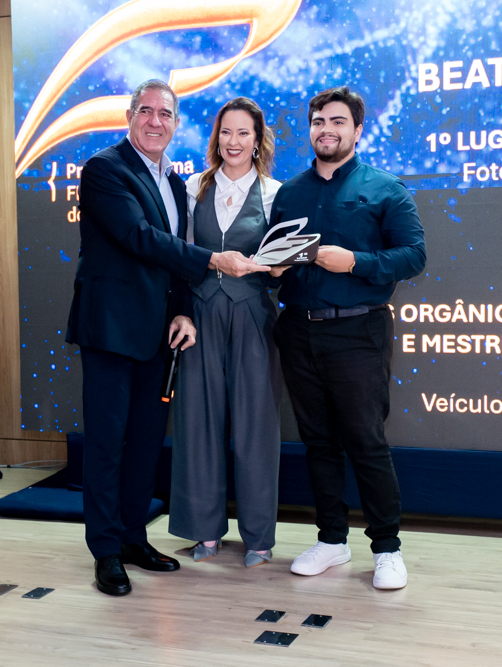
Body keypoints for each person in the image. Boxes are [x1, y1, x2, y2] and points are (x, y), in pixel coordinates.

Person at [65, 79, 268, 597]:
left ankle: (133, 537)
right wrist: (214, 259)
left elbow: (172, 259)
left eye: (167, 114)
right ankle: (106, 551)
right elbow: (139, 239)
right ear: (130, 116)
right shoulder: (105, 169)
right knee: (108, 445)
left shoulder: (177, 184)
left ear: (177, 124)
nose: (157, 121)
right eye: (147, 111)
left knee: (144, 445)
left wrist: (183, 312)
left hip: (160, 335)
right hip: (111, 330)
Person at [267, 86, 426, 590]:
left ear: (358, 130)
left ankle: (386, 548)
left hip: (360, 329)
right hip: (298, 329)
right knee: (318, 441)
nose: (326, 129)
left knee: (365, 440)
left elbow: (414, 256)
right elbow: (280, 256)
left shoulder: (386, 189)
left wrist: (356, 261)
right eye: (318, 121)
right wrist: (272, 270)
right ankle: (332, 540)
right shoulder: (289, 193)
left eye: (337, 121)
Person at [168, 98, 283, 568]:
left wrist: (278, 269)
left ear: (258, 140)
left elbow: (285, 263)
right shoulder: (194, 187)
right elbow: (178, 256)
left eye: (243, 133)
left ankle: (258, 538)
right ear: (216, 138)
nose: (233, 142)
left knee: (257, 426)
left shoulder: (277, 193)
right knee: (198, 422)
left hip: (254, 315)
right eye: (225, 133)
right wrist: (182, 311)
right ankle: (204, 530)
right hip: (200, 315)